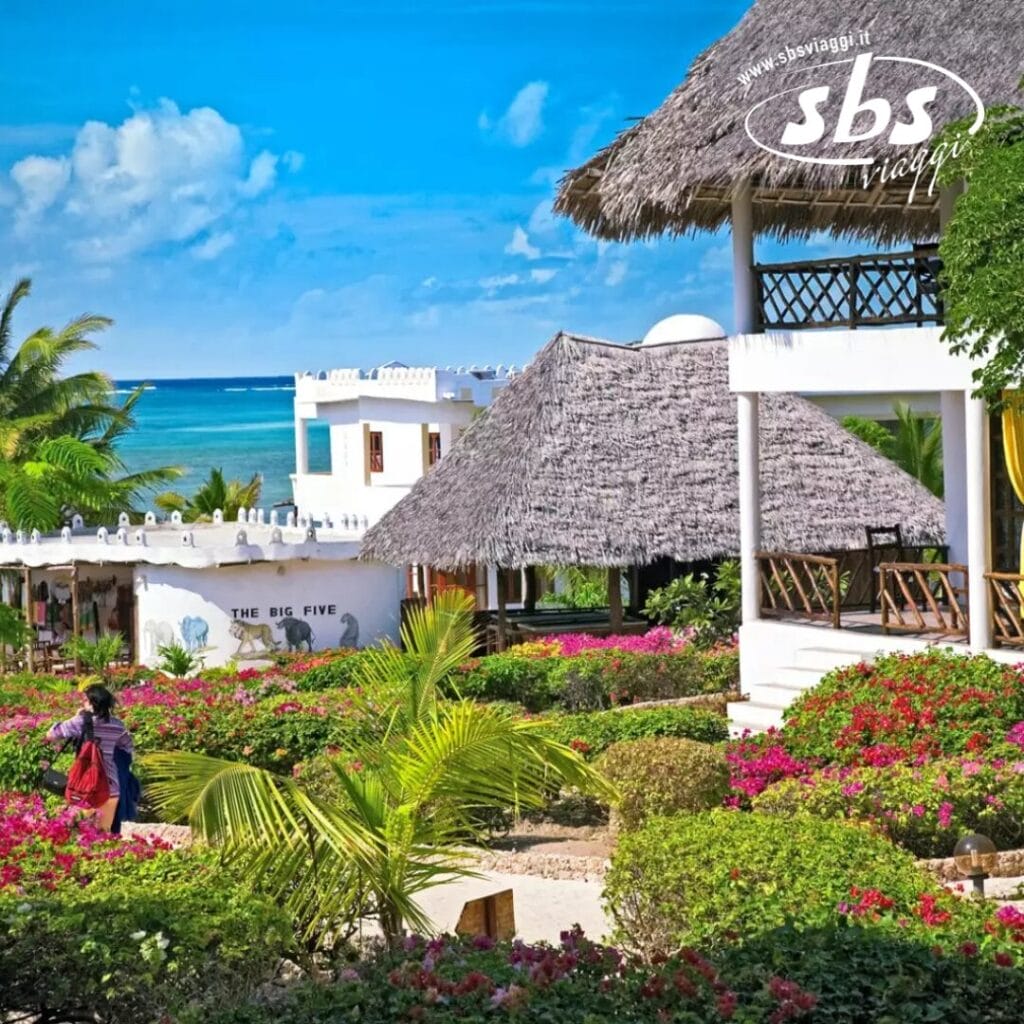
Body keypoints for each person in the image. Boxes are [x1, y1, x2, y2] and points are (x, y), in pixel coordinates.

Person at [47, 684, 134, 831]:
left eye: (85, 699)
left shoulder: (80, 721)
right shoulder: (117, 725)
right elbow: (128, 746)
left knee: (80, 835)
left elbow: (51, 735)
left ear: (91, 702)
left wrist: (76, 716)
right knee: (104, 835)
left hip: (85, 787)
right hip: (110, 787)